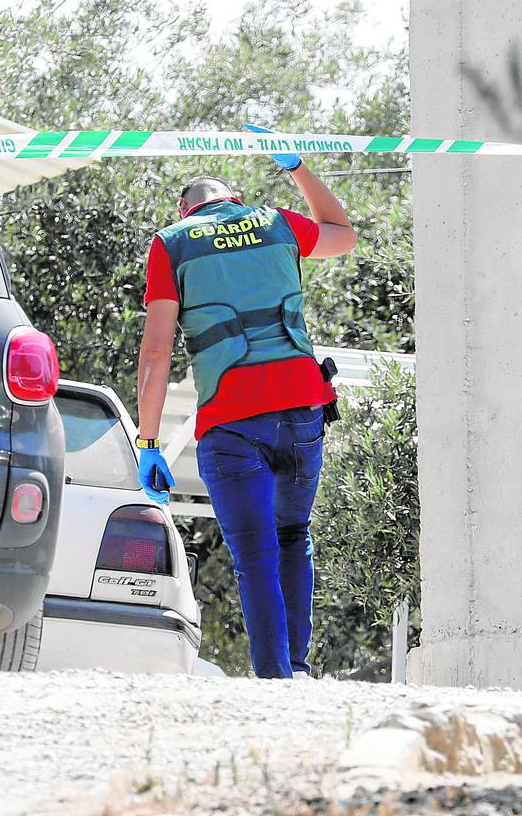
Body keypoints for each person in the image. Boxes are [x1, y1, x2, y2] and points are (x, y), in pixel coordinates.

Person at [134, 124, 358, 679]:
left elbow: (157, 352)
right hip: (303, 412)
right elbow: (343, 233)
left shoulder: (172, 242)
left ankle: (274, 678)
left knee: (255, 552)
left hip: (232, 423)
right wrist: (296, 164)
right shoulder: (278, 223)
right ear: (233, 198)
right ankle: (298, 668)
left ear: (185, 207)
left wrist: (149, 439)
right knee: (292, 537)